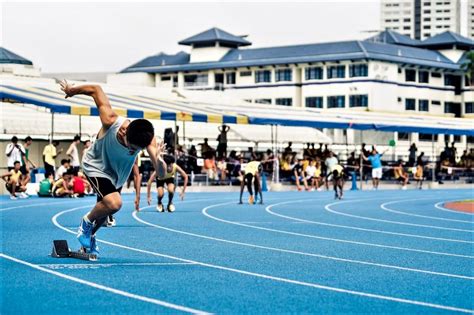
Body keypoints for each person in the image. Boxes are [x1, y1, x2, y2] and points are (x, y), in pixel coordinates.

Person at [60, 80, 166, 258]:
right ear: (124, 133)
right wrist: (72, 91)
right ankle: (85, 222)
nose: (133, 151)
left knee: (106, 208)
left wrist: (158, 159)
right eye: (131, 147)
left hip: (117, 175)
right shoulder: (110, 121)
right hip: (95, 166)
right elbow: (96, 89)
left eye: (136, 150)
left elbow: (161, 174)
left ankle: (90, 236)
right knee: (114, 203)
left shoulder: (147, 139)